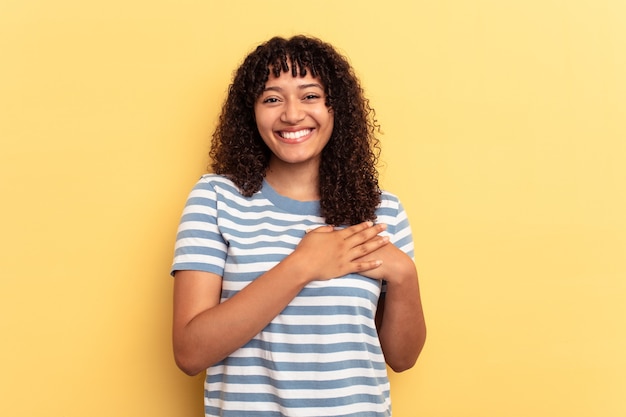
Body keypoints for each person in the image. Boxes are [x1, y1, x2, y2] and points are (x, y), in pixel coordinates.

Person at [171, 35, 426, 417]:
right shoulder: (216, 199)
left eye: (310, 96)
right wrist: (303, 265)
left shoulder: (381, 211)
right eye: (272, 98)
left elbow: (402, 358)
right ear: (251, 113)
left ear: (335, 107)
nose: (292, 114)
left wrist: (405, 275)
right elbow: (190, 352)